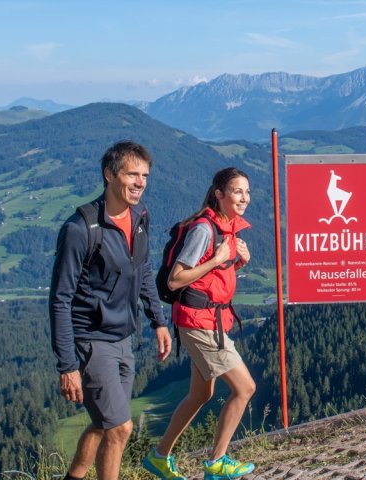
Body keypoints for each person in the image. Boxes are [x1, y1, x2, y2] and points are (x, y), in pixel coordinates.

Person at [49, 140, 172, 480]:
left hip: (123, 338)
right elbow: (59, 299)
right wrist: (67, 365)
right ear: (109, 175)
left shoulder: (140, 217)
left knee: (104, 425)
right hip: (91, 341)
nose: (140, 182)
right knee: (120, 427)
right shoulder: (80, 229)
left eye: (145, 175)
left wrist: (158, 320)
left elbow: (142, 268)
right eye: (132, 174)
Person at [143, 167, 256, 480]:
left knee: (200, 394)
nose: (244, 198)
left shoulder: (226, 227)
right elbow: (176, 279)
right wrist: (219, 260)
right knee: (245, 388)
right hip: (200, 323)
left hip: (208, 320)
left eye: (247, 192)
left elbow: (211, 276)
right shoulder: (204, 230)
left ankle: (159, 457)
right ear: (219, 194)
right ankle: (217, 462)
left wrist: (234, 262)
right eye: (237, 191)